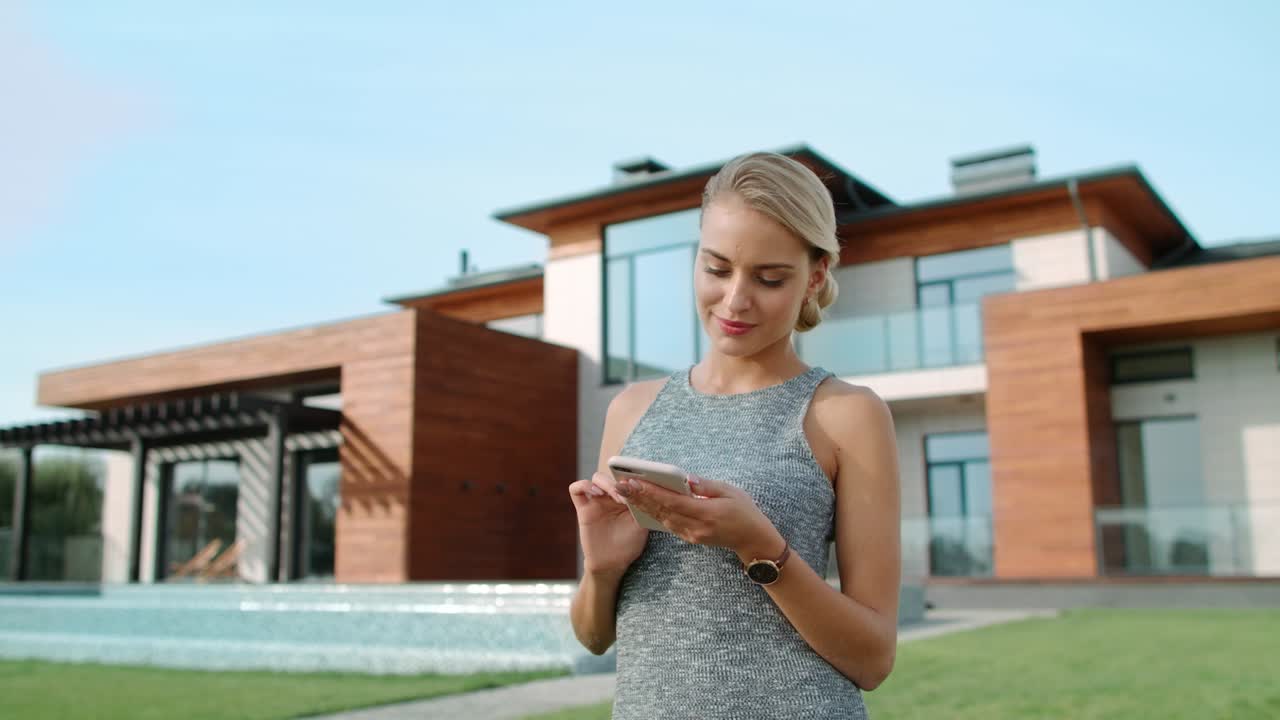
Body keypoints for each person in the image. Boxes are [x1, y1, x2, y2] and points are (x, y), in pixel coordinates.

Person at [567, 152, 901, 719]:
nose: (735, 300)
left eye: (770, 278)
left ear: (815, 276)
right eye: (717, 269)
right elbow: (595, 638)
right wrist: (603, 566)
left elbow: (873, 660)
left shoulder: (846, 414)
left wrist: (757, 546)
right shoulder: (630, 411)